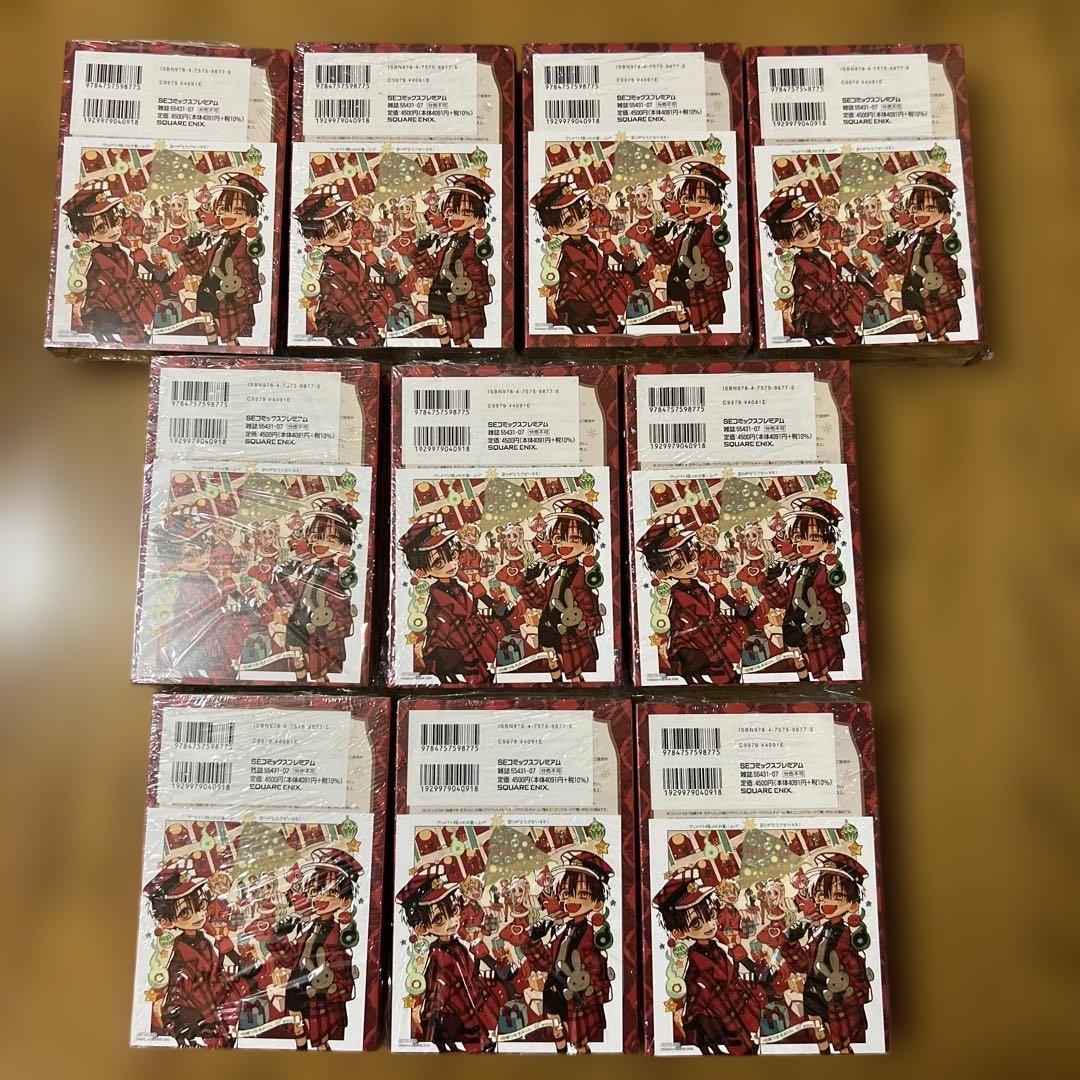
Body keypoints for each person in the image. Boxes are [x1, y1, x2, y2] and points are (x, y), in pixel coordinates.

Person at [653, 869, 768, 1054]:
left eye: (711, 914)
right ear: (679, 933)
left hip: (746, 1016)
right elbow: (701, 1007)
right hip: (726, 1030)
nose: (709, 924)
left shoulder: (717, 947)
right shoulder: (696, 965)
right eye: (696, 923)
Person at [396, 866, 507, 1051]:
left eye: (454, 910)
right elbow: (440, 998)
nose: (452, 921)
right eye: (439, 919)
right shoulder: (438, 957)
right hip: (464, 1026)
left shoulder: (457, 945)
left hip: (479, 1013)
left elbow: (471, 977)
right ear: (422, 928)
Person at [143, 857, 249, 1047]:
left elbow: (217, 975)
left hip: (223, 1020)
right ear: (167, 921)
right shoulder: (181, 959)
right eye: (185, 913)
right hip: (204, 1031)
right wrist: (192, 1032)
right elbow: (173, 1004)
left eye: (200, 905)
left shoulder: (204, 941)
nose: (199, 915)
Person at [268, 848, 363, 1050]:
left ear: (345, 900)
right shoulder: (307, 927)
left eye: (330, 892)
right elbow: (290, 959)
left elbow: (343, 975)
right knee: (299, 1032)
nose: (320, 897)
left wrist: (326, 987)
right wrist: (279, 936)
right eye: (314, 891)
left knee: (320, 1042)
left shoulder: (340, 935)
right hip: (296, 992)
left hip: (318, 999)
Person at [637, 516, 749, 684]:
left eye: (692, 556)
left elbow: (716, 613)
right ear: (662, 573)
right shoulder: (677, 599)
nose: (691, 566)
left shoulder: (699, 586)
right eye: (678, 565)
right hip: (708, 657)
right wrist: (693, 657)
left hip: (728, 649)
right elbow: (678, 636)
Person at [521, 851, 614, 1053]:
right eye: (566, 893)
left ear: (597, 903)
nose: (571, 900)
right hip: (553, 993)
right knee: (557, 1033)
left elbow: (598, 977)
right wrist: (534, 939)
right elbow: (547, 962)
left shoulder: (593, 937)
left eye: (582, 895)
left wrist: (583, 987)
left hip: (575, 1000)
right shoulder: (562, 931)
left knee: (579, 1042)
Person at [780, 853, 873, 1053]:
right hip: (813, 998)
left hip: (836, 1004)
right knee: (820, 1038)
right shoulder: (819, 932)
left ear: (853, 904)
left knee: (843, 1045)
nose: (827, 902)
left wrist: (844, 989)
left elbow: (859, 980)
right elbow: (805, 964)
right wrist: (792, 942)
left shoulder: (850, 938)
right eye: (822, 895)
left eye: (837, 897)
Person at [61, 181, 173, 343]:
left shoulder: (121, 250)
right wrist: (111, 323)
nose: (114, 230)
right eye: (101, 228)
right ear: (84, 235)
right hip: (126, 329)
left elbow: (134, 278)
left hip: (146, 319)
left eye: (116, 221)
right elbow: (93, 303)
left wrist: (156, 278)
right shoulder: (96, 267)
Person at [398, 516, 505, 683]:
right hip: (468, 661)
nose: (451, 564)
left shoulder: (459, 585)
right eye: (439, 563)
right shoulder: (437, 604)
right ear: (421, 572)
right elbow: (435, 636)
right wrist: (442, 655)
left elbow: (473, 612)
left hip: (487, 649)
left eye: (452, 555)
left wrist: (495, 612)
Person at [531, 178, 639, 333]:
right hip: (600, 317)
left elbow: (604, 270)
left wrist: (626, 269)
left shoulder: (590, 243)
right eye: (570, 221)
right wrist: (581, 312)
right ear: (553, 229)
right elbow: (566, 294)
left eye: (583, 214)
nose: (581, 223)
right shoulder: (568, 260)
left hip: (618, 305)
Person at [293, 185, 397, 345]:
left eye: (346, 225)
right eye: (332, 232)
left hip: (370, 321)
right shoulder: (327, 267)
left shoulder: (351, 254)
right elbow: (341, 303)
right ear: (316, 238)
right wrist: (362, 330)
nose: (344, 234)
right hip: (351, 328)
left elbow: (365, 284)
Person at [759, 190, 866, 345]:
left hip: (838, 306)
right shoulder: (801, 266)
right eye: (801, 234)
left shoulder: (821, 254)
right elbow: (805, 298)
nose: (813, 235)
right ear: (786, 242)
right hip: (822, 314)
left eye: (814, 226)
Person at [759, 497, 847, 682]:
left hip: (815, 636)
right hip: (793, 633)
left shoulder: (826, 574)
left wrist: (821, 624)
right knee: (800, 669)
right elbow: (784, 600)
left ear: (828, 544)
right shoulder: (797, 571)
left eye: (814, 537)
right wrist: (770, 579)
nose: (804, 543)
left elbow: (835, 612)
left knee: (822, 675)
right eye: (799, 537)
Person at [518, 499, 605, 684]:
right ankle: (556, 690)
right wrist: (529, 579)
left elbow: (591, 612)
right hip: (548, 630)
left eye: (574, 539)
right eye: (558, 538)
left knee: (573, 673)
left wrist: (579, 624)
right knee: (553, 665)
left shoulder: (585, 576)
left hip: (568, 635)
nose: (564, 544)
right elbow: (542, 600)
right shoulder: (556, 571)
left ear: (588, 546)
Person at [277, 498, 360, 683]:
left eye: (330, 539)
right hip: (298, 624)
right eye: (315, 537)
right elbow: (297, 594)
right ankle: (299, 690)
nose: (319, 543)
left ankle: (321, 694)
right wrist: (282, 579)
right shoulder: (307, 568)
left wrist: (331, 628)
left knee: (319, 674)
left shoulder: (339, 574)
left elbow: (342, 606)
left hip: (322, 632)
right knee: (298, 663)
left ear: (345, 545)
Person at [407, 173, 494, 347]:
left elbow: (480, 279)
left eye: (465, 212)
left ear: (479, 219)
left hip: (459, 302)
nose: (455, 217)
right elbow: (431, 271)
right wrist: (421, 250)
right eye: (451, 211)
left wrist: (467, 291)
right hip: (439, 297)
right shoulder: (446, 242)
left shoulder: (475, 246)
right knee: (442, 333)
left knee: (461, 340)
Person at [651, 161, 731, 333]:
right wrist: (657, 238)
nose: (691, 204)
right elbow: (670, 257)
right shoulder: (683, 229)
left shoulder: (712, 235)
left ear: (715, 206)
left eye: (701, 199)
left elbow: (719, 273)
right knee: (683, 324)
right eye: (687, 198)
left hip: (698, 293)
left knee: (702, 330)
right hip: (677, 288)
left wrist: (705, 278)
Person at [886, 171, 965, 341]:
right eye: (916, 208)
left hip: (931, 298)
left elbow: (950, 274)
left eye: (929, 208)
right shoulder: (914, 239)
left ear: (944, 214)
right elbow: (903, 266)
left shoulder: (942, 242)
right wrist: (888, 249)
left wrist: (941, 288)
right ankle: (921, 342)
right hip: (911, 294)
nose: (920, 214)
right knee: (918, 326)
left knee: (938, 334)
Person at [196, 171, 266, 345]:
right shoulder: (217, 242)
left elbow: (251, 286)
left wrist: (235, 291)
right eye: (223, 209)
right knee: (209, 331)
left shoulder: (247, 247)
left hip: (228, 303)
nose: (227, 215)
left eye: (237, 210)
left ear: (251, 218)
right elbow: (200, 267)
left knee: (230, 341)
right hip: (207, 295)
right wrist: (190, 247)